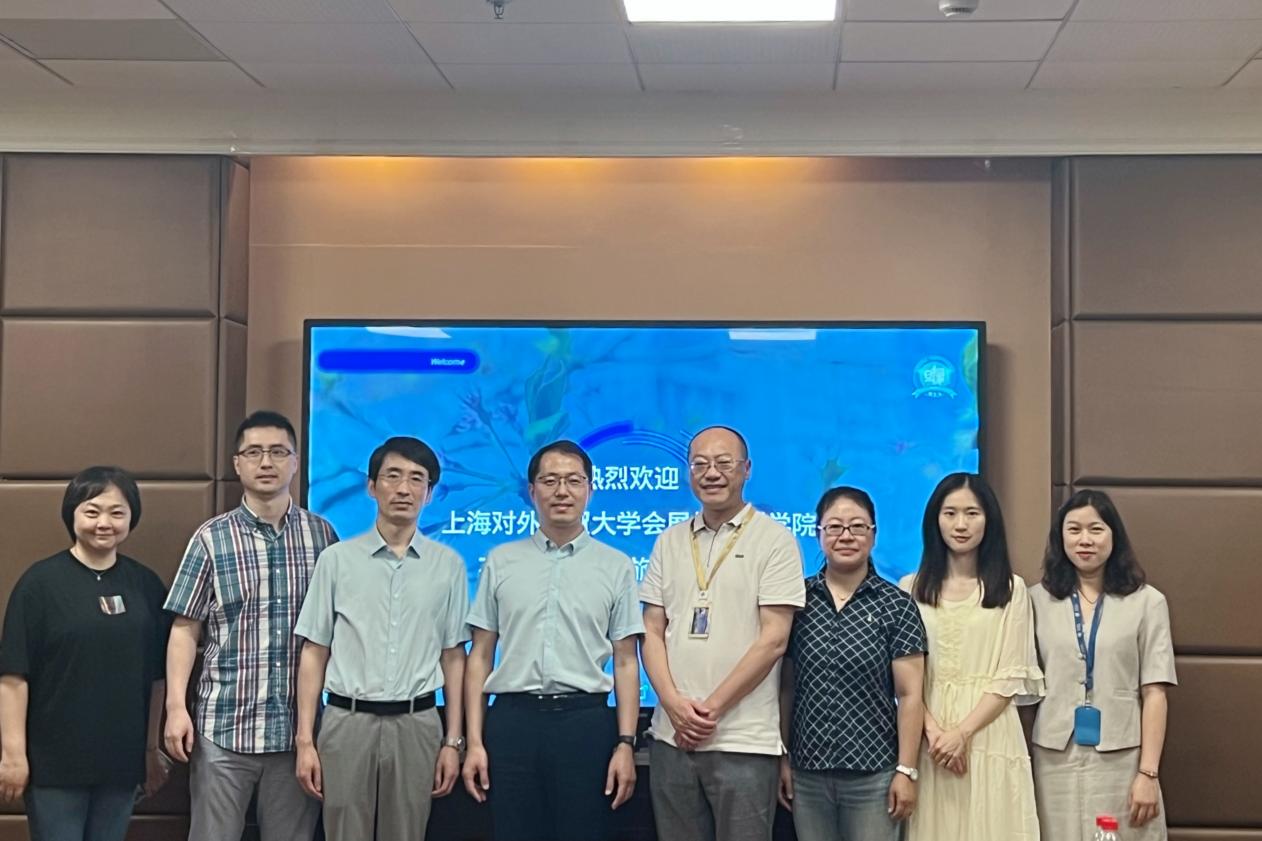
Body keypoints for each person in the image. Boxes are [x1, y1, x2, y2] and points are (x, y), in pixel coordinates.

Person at [163, 410, 337, 841]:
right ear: (237, 463)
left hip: (297, 735)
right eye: (254, 452)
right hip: (223, 727)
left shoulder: (323, 537)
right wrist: (175, 707)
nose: (266, 462)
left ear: (295, 462)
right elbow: (185, 629)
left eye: (278, 452)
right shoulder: (211, 538)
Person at [461, 439, 643, 841]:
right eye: (550, 481)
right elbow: (480, 656)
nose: (562, 491)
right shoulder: (501, 560)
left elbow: (626, 660)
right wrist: (473, 741)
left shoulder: (616, 566)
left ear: (590, 490)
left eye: (574, 481)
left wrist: (626, 743)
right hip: (513, 723)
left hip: (584, 724)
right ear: (532, 491)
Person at [294, 435, 469, 841]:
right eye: (393, 476)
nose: (404, 488)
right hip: (346, 722)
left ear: (430, 493)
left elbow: (453, 656)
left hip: (417, 724)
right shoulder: (337, 560)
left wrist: (453, 740)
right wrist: (305, 740)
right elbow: (314, 652)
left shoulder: (448, 566)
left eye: (417, 479)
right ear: (372, 486)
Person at [640, 425, 805, 841]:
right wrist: (674, 706)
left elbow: (774, 640)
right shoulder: (668, 541)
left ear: (746, 469)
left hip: (744, 741)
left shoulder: (776, 540)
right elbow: (652, 630)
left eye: (723, 463)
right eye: (700, 464)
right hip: (671, 737)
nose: (711, 473)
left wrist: (708, 711)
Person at [0, 466, 170, 841]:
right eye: (92, 511)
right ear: (72, 514)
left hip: (121, 760)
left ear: (132, 518)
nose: (104, 523)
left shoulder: (146, 585)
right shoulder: (39, 584)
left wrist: (150, 749)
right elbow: (13, 676)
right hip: (54, 763)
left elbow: (157, 677)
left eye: (117, 512)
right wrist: (13, 755)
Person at [898, 472, 1042, 841]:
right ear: (935, 520)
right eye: (950, 513)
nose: (960, 524)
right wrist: (935, 733)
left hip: (988, 732)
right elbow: (904, 678)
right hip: (927, 738)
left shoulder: (1011, 589)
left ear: (988, 520)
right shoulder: (910, 588)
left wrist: (961, 733)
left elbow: (1011, 675)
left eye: (972, 513)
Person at [779, 486, 927, 841]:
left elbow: (910, 695)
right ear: (818, 534)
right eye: (834, 527)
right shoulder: (797, 602)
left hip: (874, 775)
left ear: (873, 534)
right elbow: (786, 687)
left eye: (858, 526)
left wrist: (906, 770)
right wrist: (783, 758)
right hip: (808, 773)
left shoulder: (896, 605)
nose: (846, 536)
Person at [1030, 490, 1176, 840]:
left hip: (1122, 756)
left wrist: (1148, 773)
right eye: (1074, 530)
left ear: (1114, 536)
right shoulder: (1035, 600)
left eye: (1095, 529)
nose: (1085, 540)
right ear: (1060, 537)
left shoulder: (1148, 602)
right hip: (1053, 756)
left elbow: (1155, 692)